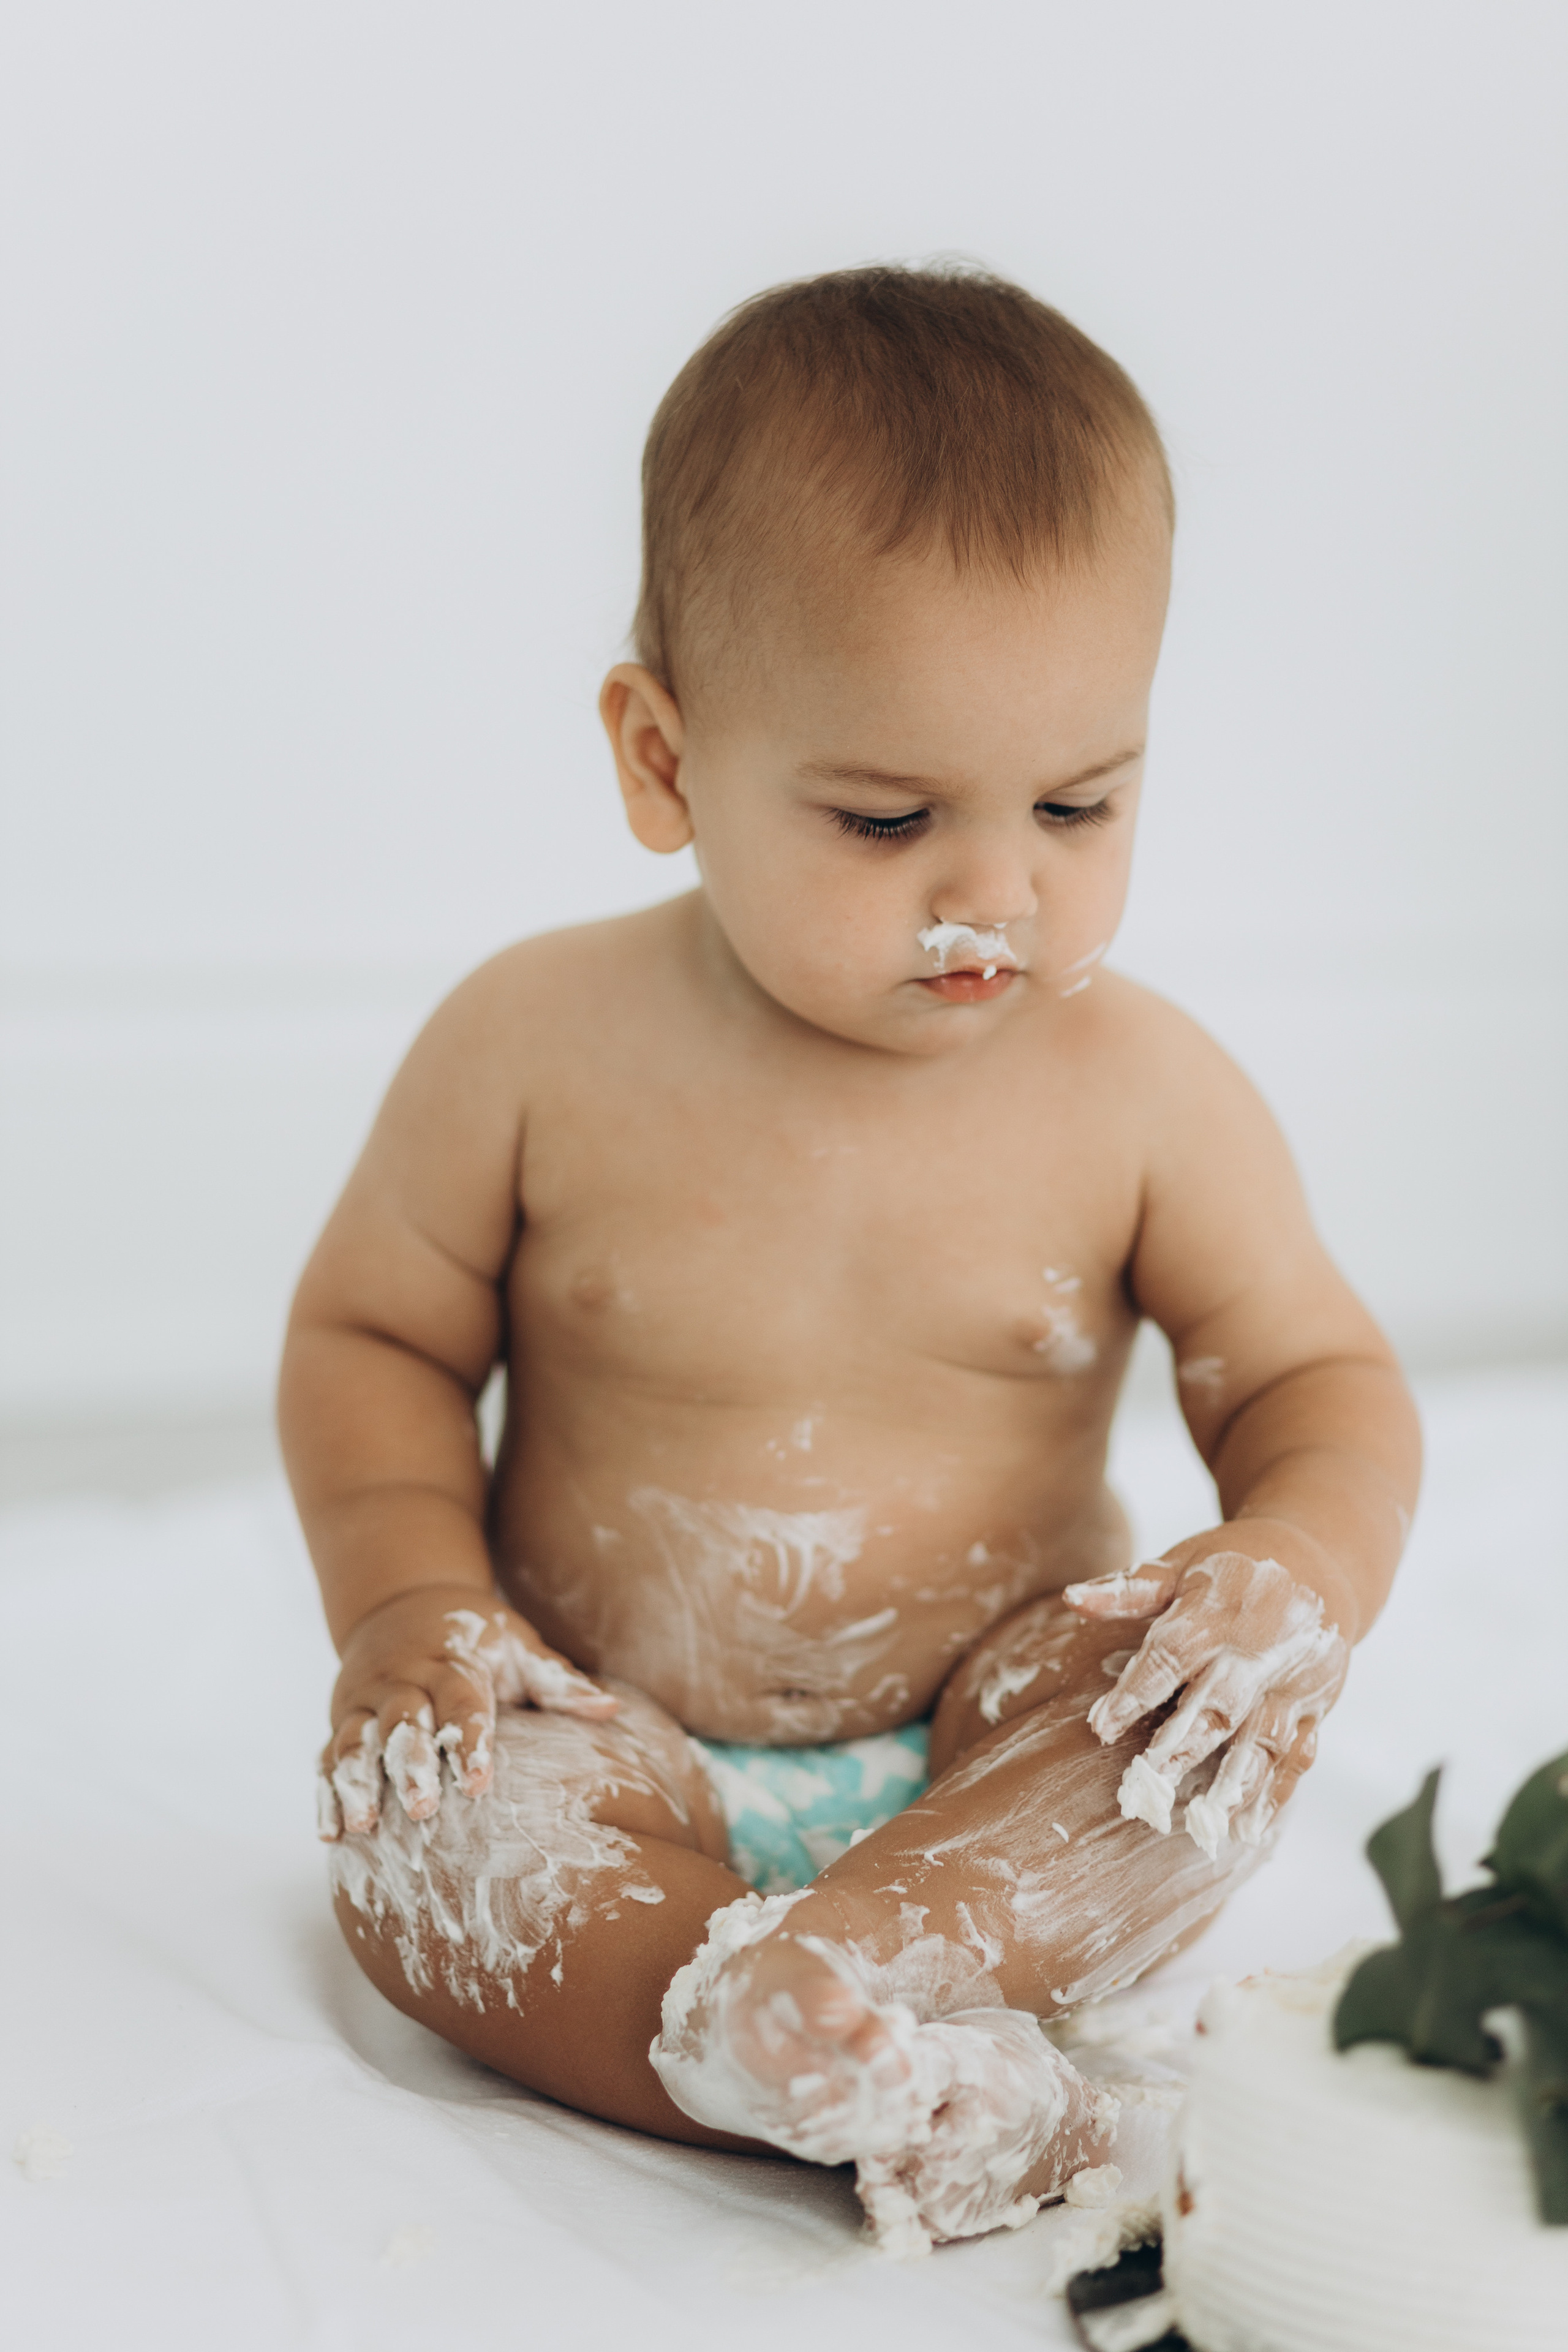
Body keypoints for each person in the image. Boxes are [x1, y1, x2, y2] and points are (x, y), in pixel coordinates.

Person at [279, 265, 1420, 2255]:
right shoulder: (529, 1051)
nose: (1001, 893)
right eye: (889, 819)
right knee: (424, 1847)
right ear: (663, 759)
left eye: (1080, 801)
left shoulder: (1146, 1092)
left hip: (991, 1741)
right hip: (596, 1722)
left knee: (1177, 1748)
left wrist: (1284, 1574)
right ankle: (752, 2025)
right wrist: (410, 1605)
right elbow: (371, 1334)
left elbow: (1317, 1381)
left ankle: (851, 1983)